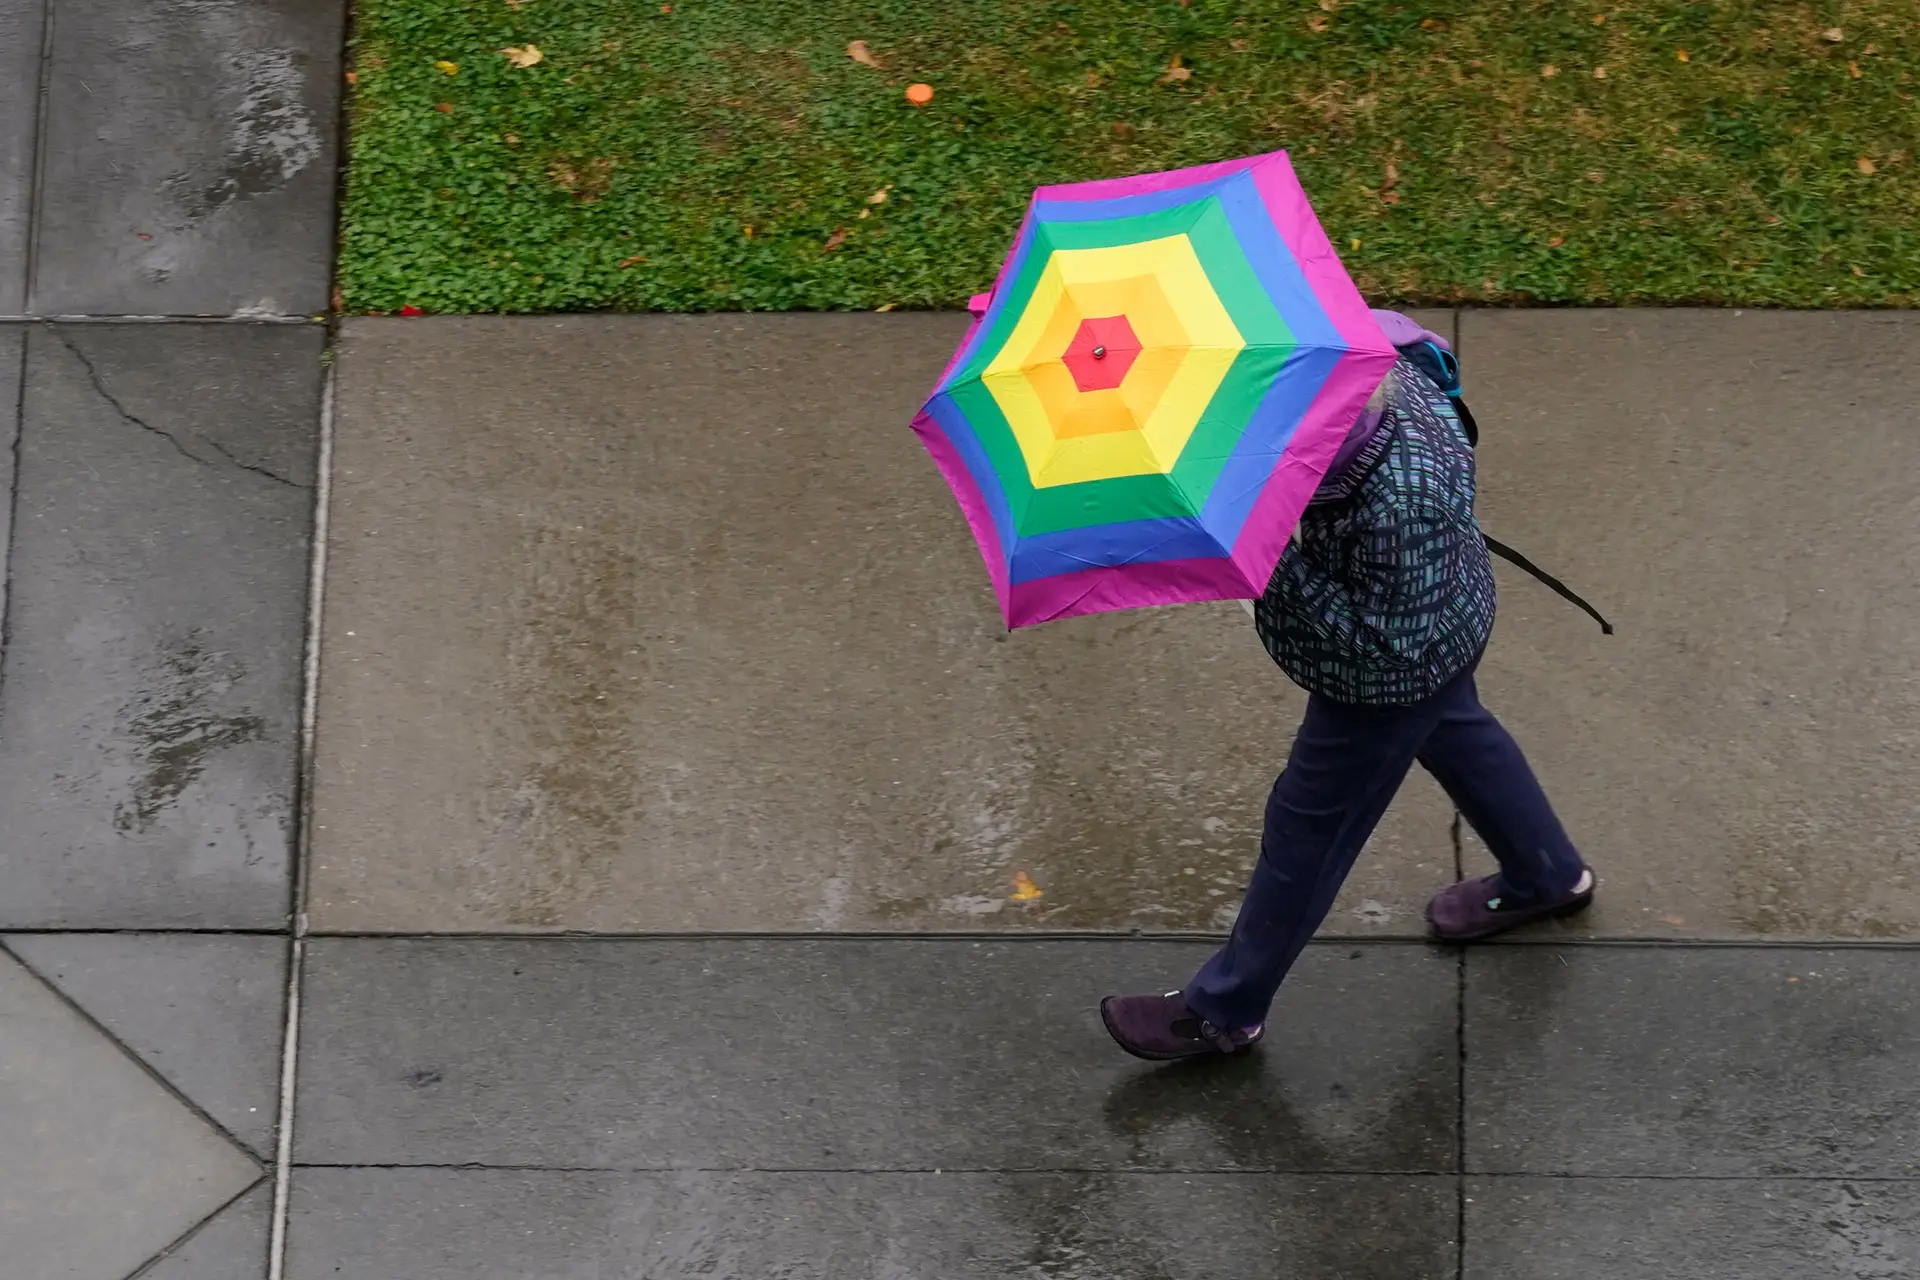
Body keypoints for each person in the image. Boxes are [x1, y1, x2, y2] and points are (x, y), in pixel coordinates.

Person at [1101, 341, 1595, 1062]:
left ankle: (1225, 1009)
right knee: (1457, 729)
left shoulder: (1400, 509)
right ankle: (1548, 874)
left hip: (1393, 674)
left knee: (1309, 827)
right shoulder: (1370, 368)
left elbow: (1384, 646)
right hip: (1451, 612)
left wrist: (1261, 552)